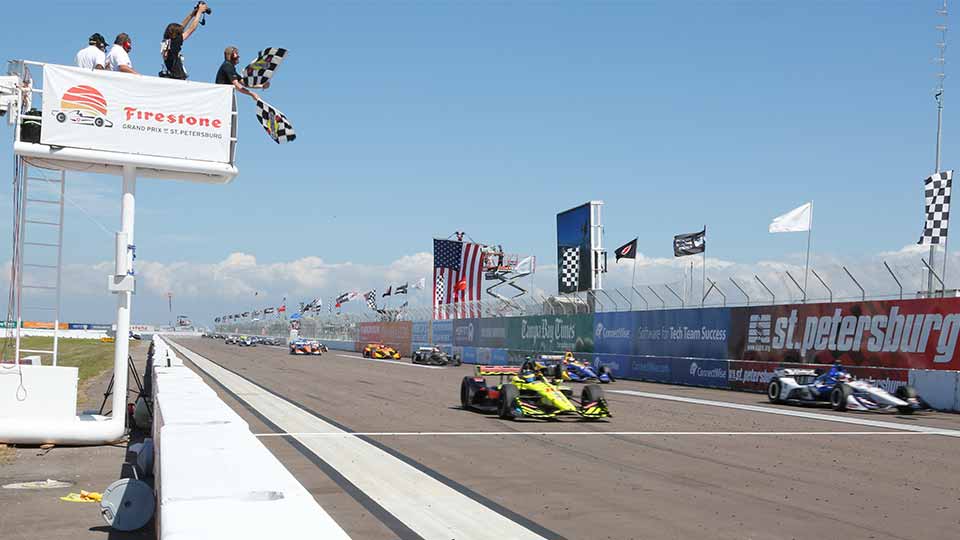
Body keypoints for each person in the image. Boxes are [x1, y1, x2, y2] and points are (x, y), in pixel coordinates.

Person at [160, 3, 207, 80]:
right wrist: (199, 12)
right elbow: (191, 29)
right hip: (177, 78)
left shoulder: (167, 42)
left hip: (172, 77)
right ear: (175, 34)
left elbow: (181, 27)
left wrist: (192, 15)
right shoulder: (174, 43)